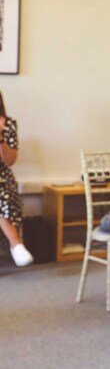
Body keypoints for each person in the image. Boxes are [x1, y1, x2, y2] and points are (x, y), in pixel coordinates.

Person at [0, 92, 32, 267]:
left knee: (0, 193)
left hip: (3, 179)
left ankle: (16, 245)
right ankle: (16, 244)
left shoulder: (8, 124)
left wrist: (0, 137)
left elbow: (9, 161)